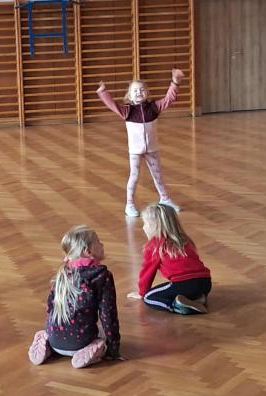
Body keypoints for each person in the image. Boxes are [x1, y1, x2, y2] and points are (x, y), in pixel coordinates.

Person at [28, 225, 123, 368]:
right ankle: (93, 349)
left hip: (55, 338)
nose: (102, 244)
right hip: (81, 341)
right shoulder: (102, 276)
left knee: (54, 332)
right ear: (88, 251)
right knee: (101, 338)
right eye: (98, 242)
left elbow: (50, 308)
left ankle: (47, 341)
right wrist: (113, 347)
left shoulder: (62, 273)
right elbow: (108, 314)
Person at [96, 68, 185, 217]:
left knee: (158, 175)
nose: (139, 92)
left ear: (147, 93)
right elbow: (112, 104)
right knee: (134, 176)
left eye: (142, 89)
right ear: (129, 95)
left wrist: (175, 82)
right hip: (135, 151)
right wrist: (103, 92)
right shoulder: (127, 111)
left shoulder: (154, 107)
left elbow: (169, 99)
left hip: (152, 149)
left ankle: (165, 199)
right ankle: (129, 204)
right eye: (135, 90)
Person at [125, 203, 211, 315]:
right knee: (185, 288)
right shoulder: (183, 240)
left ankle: (177, 306)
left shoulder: (154, 246)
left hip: (184, 283)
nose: (143, 227)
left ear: (155, 226)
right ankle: (198, 299)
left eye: (145, 224)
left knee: (149, 297)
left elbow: (147, 273)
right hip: (205, 282)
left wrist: (142, 293)